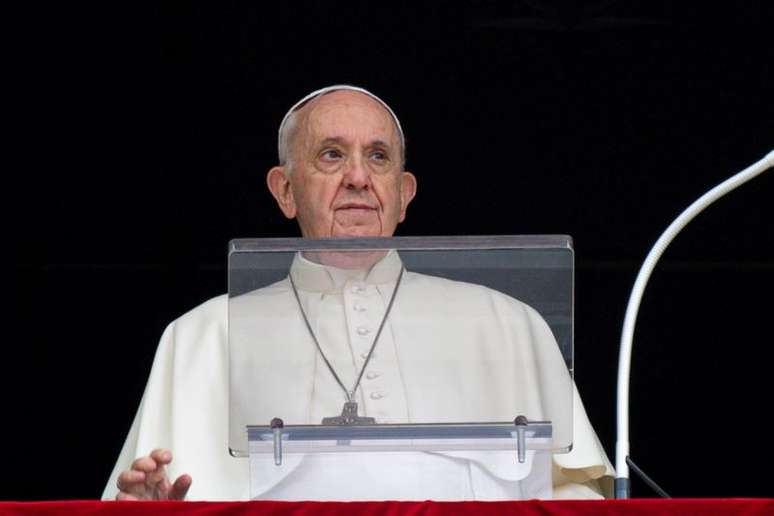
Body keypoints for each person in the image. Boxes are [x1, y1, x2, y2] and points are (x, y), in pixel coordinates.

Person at [105, 85, 614, 501]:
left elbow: (578, 499)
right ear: (284, 189)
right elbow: (153, 501)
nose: (357, 177)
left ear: (404, 194)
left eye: (378, 157)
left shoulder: (507, 323)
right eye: (331, 155)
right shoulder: (204, 335)